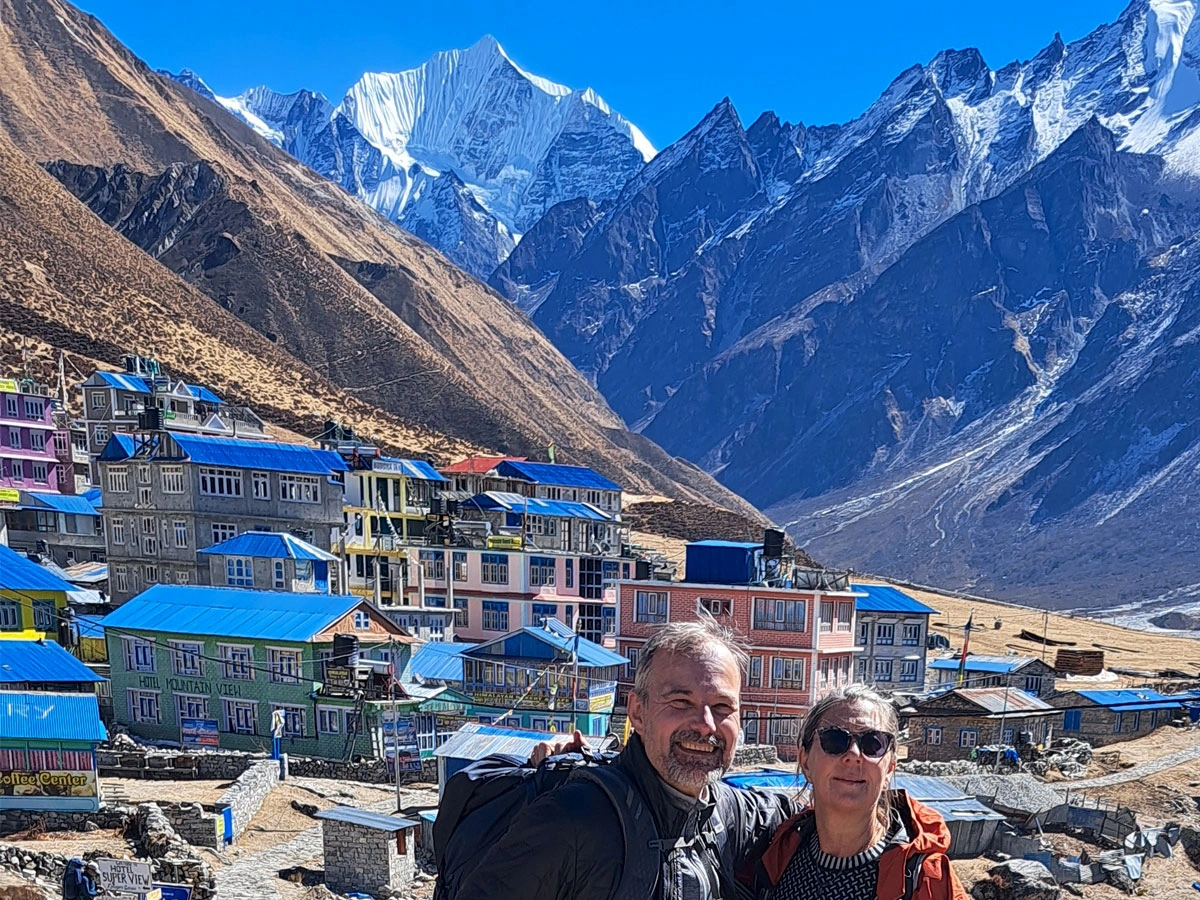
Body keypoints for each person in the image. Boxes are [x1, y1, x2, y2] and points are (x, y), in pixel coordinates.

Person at [454, 616, 797, 900]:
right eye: (681, 702)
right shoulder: (573, 819)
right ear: (638, 712)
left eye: (722, 707)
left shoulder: (725, 813)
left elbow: (810, 811)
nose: (706, 725)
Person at [742, 684, 967, 900]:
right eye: (834, 739)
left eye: (873, 743)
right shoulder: (774, 857)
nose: (854, 754)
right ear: (805, 761)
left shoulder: (927, 881)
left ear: (889, 768)